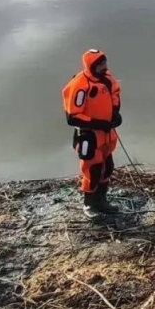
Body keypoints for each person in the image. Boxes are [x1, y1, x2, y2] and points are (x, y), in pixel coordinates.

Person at [61, 49, 122, 219]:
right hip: (90, 136)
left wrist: (115, 114)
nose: (104, 66)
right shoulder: (80, 85)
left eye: (105, 63)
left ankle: (102, 201)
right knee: (93, 171)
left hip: (107, 134)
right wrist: (99, 124)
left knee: (107, 168)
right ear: (91, 66)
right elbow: (73, 117)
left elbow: (115, 94)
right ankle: (89, 205)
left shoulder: (107, 78)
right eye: (100, 64)